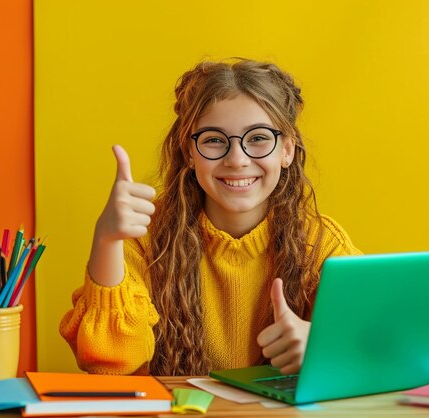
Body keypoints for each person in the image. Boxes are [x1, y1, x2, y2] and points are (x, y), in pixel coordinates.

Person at [60, 58, 361, 376]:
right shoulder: (144, 238)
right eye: (214, 140)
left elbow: (377, 348)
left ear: (286, 149)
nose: (237, 159)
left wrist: (321, 347)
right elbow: (110, 364)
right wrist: (105, 240)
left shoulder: (320, 243)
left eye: (258, 138)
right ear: (189, 152)